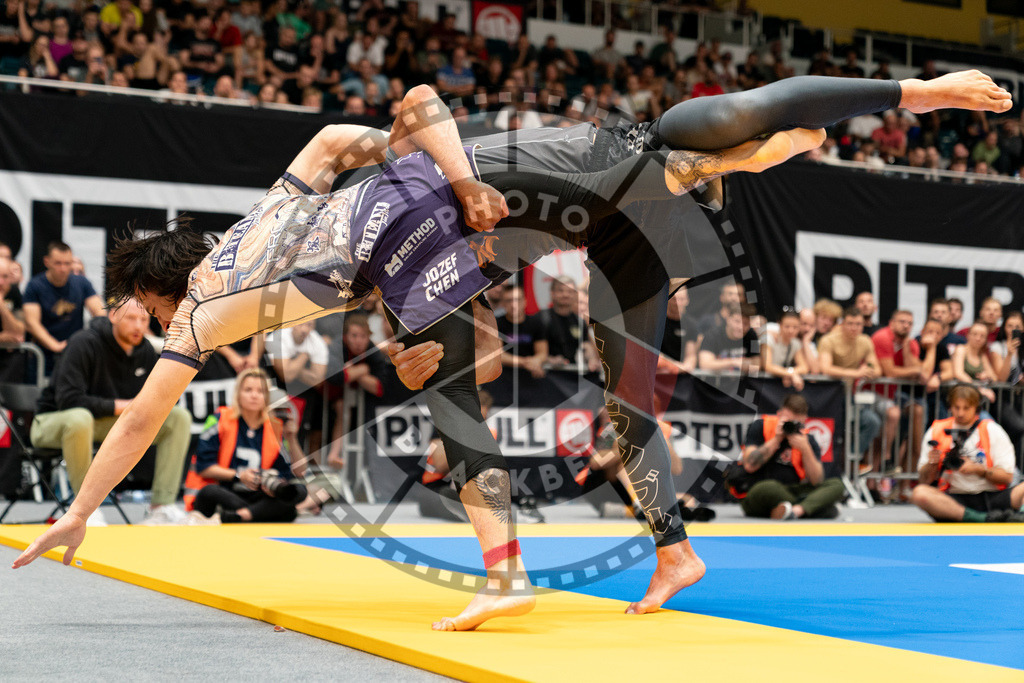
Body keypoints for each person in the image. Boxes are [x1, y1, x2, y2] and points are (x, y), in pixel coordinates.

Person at [15, 71, 1013, 625]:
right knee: (613, 387)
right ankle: (674, 553)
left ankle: (505, 572)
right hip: (464, 225)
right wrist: (448, 198)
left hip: (439, 222)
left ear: (158, 285)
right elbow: (388, 124)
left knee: (475, 364)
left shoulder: (202, 307)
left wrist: (83, 509)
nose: (148, 324)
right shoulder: (278, 204)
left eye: (144, 309)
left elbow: (146, 412)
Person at [29, 298, 191, 526]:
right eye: (131, 318)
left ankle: (162, 506)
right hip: (52, 423)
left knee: (177, 418)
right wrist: (125, 406)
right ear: (113, 316)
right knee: (79, 418)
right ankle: (83, 509)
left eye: (144, 319)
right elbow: (69, 400)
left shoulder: (144, 350)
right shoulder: (84, 343)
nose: (138, 326)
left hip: (103, 425)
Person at [190, 368, 309, 524]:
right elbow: (204, 467)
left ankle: (240, 516)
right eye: (248, 390)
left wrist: (292, 439)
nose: (254, 395)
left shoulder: (275, 427)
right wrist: (240, 475)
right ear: (238, 393)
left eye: (260, 391)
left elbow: (300, 472)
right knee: (208, 492)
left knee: (299, 490)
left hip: (257, 494)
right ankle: (261, 513)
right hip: (227, 490)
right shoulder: (219, 419)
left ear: (266, 397)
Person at [911, 384, 1024, 522]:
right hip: (954, 498)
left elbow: (1007, 477)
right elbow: (923, 481)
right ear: (949, 406)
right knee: (919, 493)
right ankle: (979, 518)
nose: (960, 413)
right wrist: (932, 464)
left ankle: (1020, 515)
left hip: (994, 496)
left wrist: (979, 470)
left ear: (976, 408)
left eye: (966, 408)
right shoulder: (936, 430)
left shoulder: (992, 430)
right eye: (956, 407)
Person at [738, 394, 844, 520]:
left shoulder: (807, 440)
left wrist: (806, 450)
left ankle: (794, 511)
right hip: (759, 491)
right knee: (769, 486)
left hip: (791, 491)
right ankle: (813, 508)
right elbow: (749, 465)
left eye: (796, 423)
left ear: (804, 420)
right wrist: (776, 439)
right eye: (788, 422)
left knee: (836, 484)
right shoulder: (761, 426)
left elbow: (817, 481)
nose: (791, 427)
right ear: (779, 414)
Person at [22, 241, 105, 372]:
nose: (63, 268)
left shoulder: (81, 283)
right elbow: (32, 323)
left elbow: (99, 312)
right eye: (58, 263)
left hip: (75, 353)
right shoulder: (35, 286)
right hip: (43, 355)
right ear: (47, 261)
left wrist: (92, 339)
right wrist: (56, 346)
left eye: (67, 263)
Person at [494, 285, 547, 379]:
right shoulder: (496, 323)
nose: (513, 305)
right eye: (509, 300)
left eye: (517, 300)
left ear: (524, 301)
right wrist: (525, 362)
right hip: (504, 376)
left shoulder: (536, 323)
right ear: (503, 303)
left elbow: (542, 352)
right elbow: (498, 354)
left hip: (531, 375)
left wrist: (536, 361)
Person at [762, 309, 809, 391]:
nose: (791, 330)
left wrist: (790, 372)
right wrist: (792, 374)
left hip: (781, 386)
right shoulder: (769, 339)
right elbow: (767, 366)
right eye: (787, 326)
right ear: (779, 324)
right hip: (763, 384)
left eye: (795, 327)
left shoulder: (795, 343)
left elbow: (804, 367)